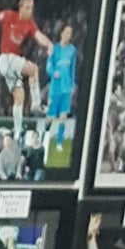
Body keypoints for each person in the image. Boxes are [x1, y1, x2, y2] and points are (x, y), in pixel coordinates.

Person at [0, 0, 50, 133]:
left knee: (19, 96)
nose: (30, 11)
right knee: (34, 69)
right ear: (21, 7)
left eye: (32, 8)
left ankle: (17, 131)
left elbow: (39, 36)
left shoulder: (30, 24)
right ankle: (36, 104)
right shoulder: (9, 16)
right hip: (6, 58)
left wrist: (49, 45)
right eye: (28, 8)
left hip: (11, 63)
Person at [45, 21, 77, 151]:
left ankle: (59, 142)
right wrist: (54, 73)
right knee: (51, 117)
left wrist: (72, 84)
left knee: (63, 116)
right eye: (67, 32)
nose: (69, 35)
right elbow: (48, 66)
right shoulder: (55, 49)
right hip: (55, 88)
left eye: (71, 33)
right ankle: (44, 135)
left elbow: (72, 68)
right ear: (61, 33)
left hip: (66, 88)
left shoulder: (72, 50)